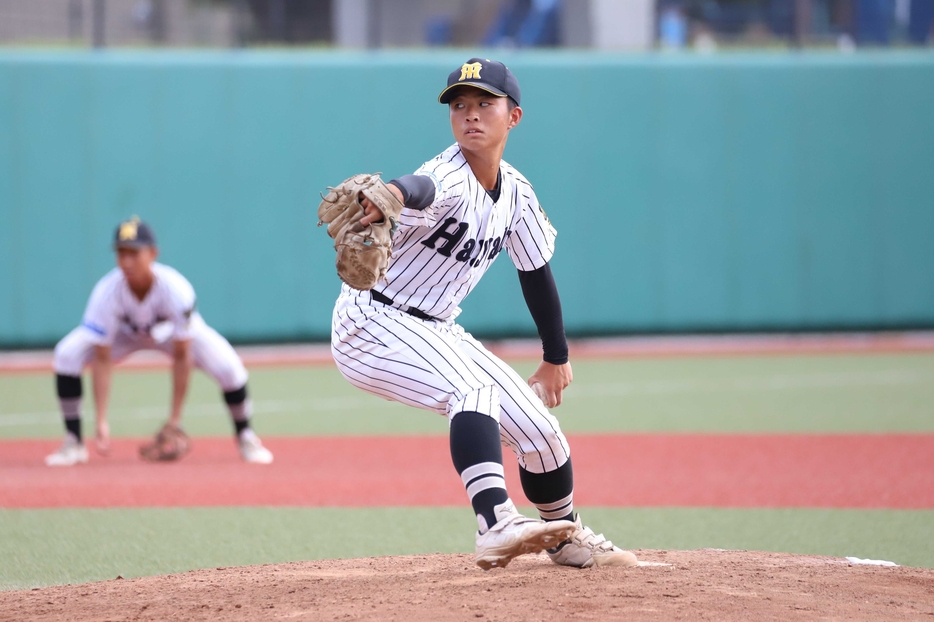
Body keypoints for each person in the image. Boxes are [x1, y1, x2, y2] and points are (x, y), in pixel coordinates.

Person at [327, 58, 638, 570]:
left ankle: (565, 537)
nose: (470, 115)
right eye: (459, 105)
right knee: (475, 392)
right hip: (372, 323)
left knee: (541, 433)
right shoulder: (444, 175)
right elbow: (418, 188)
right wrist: (393, 195)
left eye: (484, 104)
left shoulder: (515, 191)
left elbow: (535, 271)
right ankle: (494, 523)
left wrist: (555, 356)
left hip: (436, 327)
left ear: (513, 116)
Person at [45, 217, 273, 466]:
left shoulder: (175, 288)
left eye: (134, 252)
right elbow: (102, 357)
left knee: (230, 367)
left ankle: (246, 437)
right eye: (121, 253)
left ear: (153, 253)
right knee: (67, 353)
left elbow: (182, 355)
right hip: (126, 337)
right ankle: (74, 442)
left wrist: (174, 419)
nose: (127, 261)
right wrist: (101, 421)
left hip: (171, 336)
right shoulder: (107, 291)